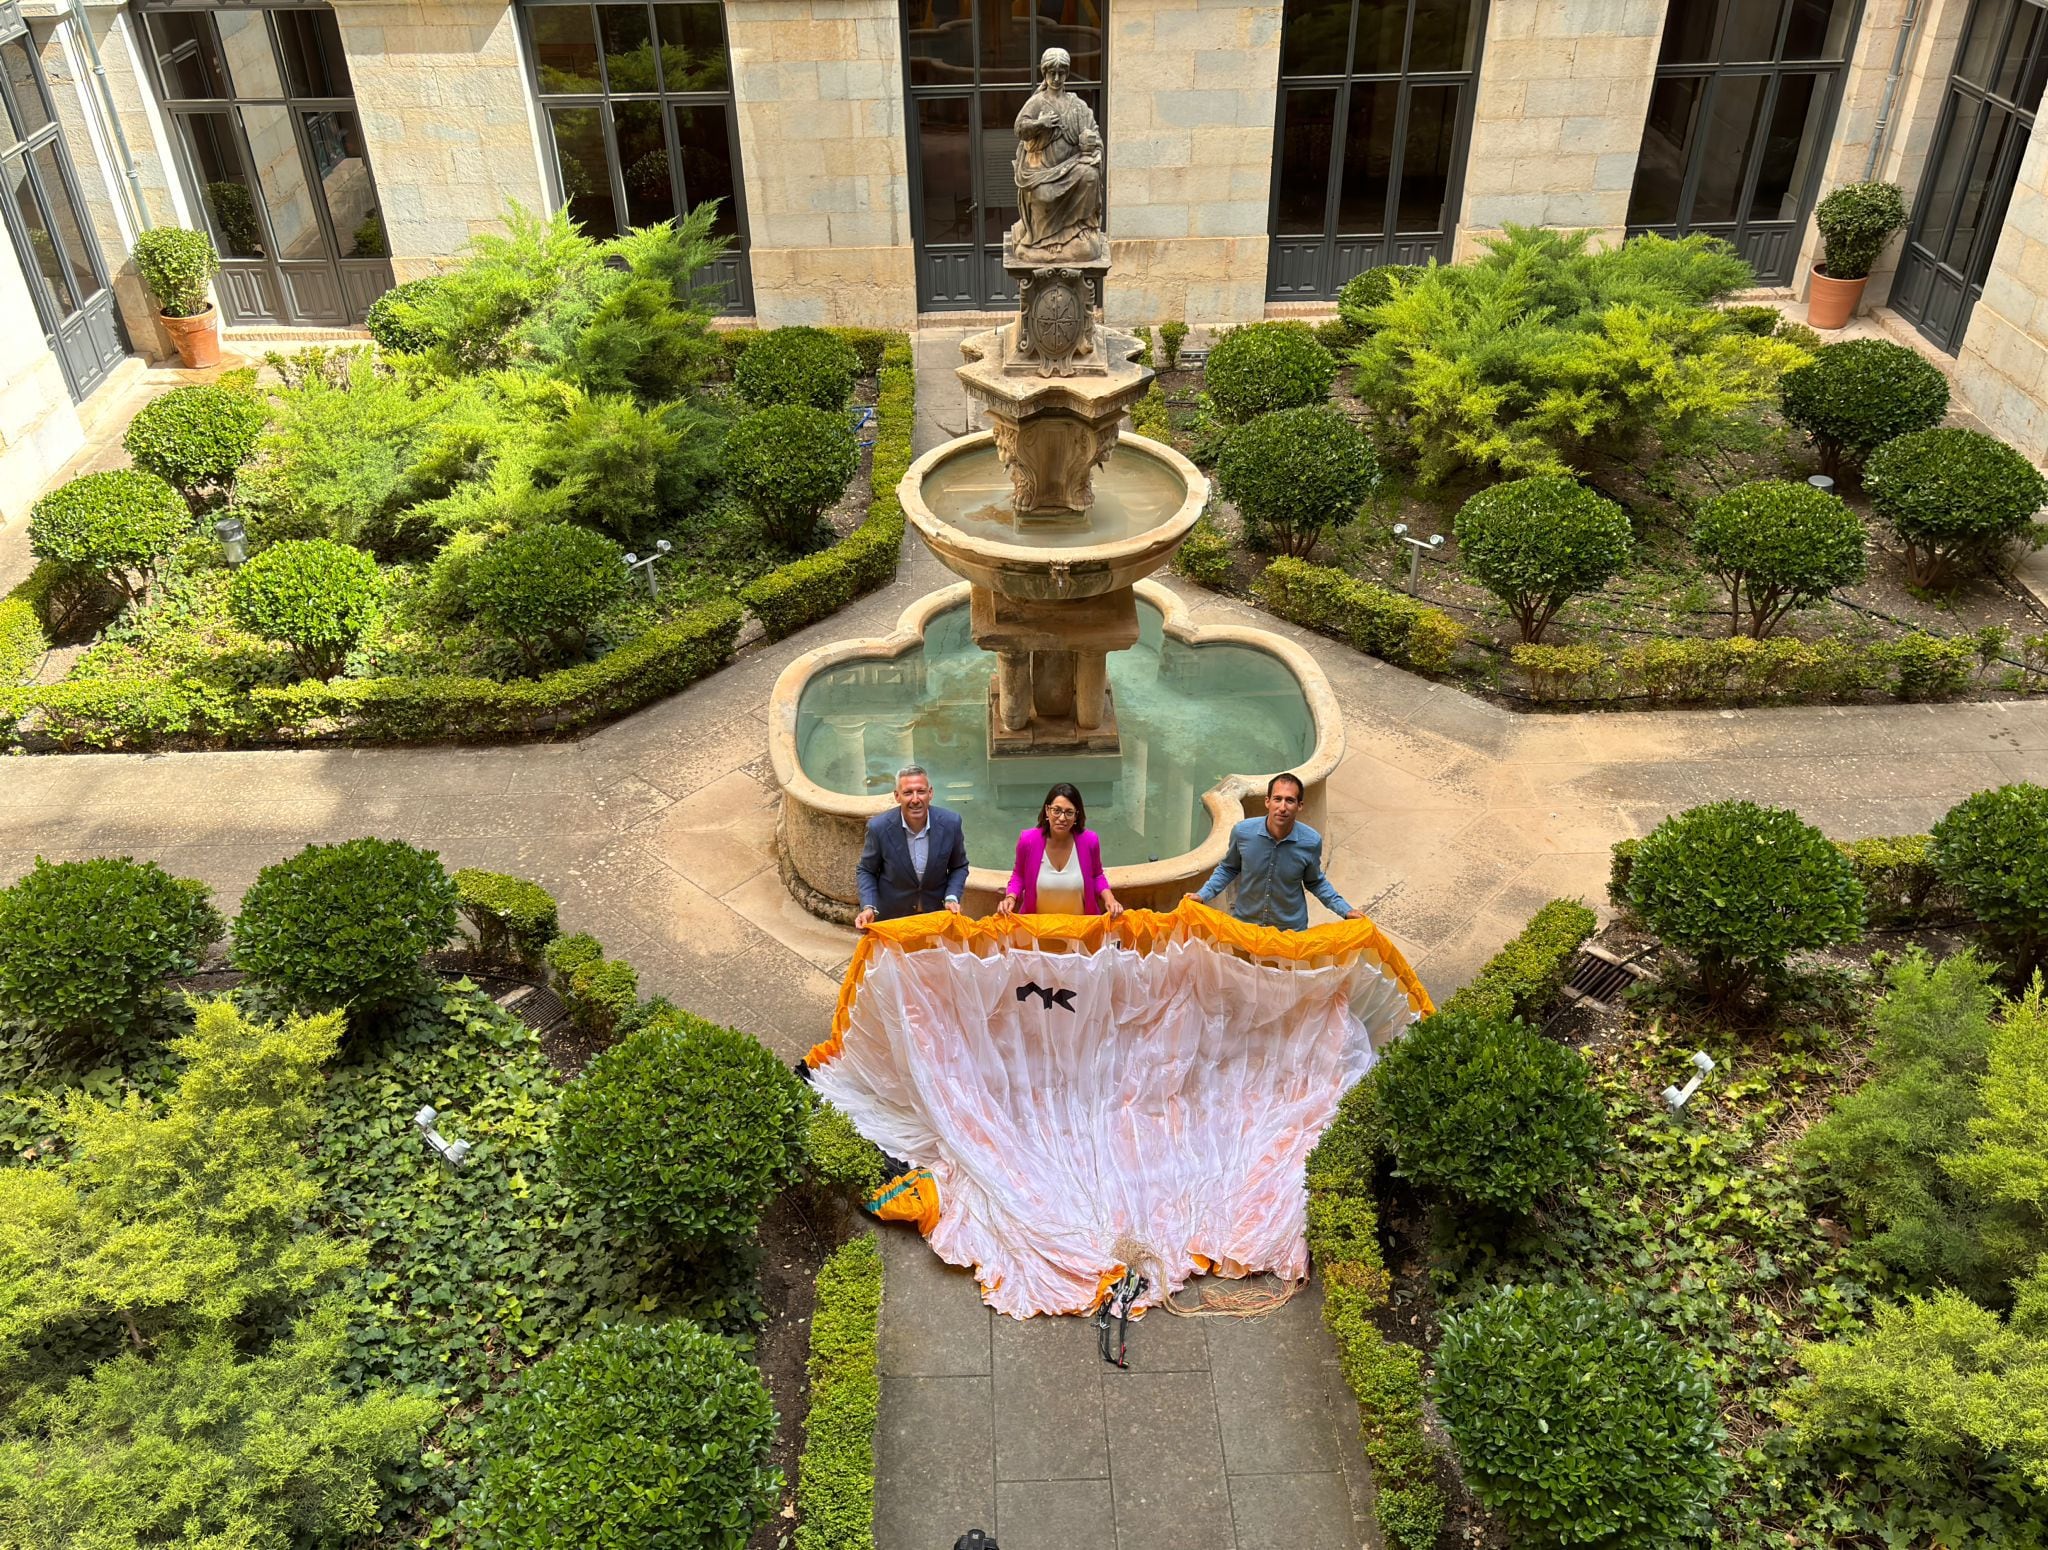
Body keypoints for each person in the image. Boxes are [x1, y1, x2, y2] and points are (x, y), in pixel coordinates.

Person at [1192, 772, 1366, 931]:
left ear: (1300, 805)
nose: (1282, 807)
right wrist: (1202, 895)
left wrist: (1345, 910)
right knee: (1239, 966)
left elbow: (1315, 882)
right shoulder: (1243, 832)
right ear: (1267, 801)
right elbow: (1228, 868)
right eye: (1277, 799)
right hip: (1246, 927)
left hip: (1289, 932)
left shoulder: (1311, 842)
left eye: (1290, 800)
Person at [1009, 48, 1104, 265]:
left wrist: (1092, 144)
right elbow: (1019, 128)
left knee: (1090, 175)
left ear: (1067, 74)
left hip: (1071, 166)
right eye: (1052, 72)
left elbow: (1094, 133)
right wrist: (1039, 124)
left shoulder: (1077, 104)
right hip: (1041, 170)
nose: (1056, 78)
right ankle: (1045, 239)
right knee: (1043, 194)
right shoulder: (1038, 102)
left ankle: (1077, 228)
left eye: (1061, 73)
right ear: (1044, 73)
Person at [854, 764, 970, 929]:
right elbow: (866, 870)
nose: (915, 799)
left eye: (921, 791)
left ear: (930, 793)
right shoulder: (878, 828)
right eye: (908, 793)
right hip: (894, 920)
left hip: (936, 918)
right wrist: (868, 907)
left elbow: (959, 866)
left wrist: (951, 897)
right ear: (897, 796)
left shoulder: (951, 823)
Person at [995, 782, 1124, 919]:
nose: (1062, 818)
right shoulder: (1028, 840)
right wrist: (1010, 898)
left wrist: (1110, 899)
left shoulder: (1089, 841)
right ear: (1047, 810)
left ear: (1076, 815)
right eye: (1056, 810)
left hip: (1081, 930)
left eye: (1069, 812)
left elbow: (1097, 875)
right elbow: (1019, 875)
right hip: (1037, 930)